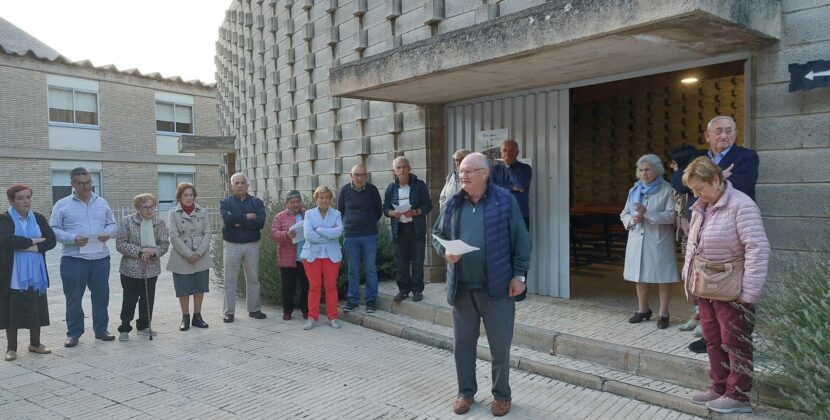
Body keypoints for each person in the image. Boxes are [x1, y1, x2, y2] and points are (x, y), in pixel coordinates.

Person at [432, 152, 531, 417]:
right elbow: (437, 235)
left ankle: (502, 395)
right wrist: (445, 252)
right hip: (462, 289)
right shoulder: (453, 203)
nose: (461, 175)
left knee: (500, 347)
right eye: (460, 171)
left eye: (468, 171)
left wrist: (519, 276)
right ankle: (465, 392)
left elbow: (522, 239)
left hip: (497, 288)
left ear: (484, 173)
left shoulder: (504, 200)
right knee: (463, 346)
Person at [682, 157, 769, 414]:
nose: (696, 194)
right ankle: (718, 386)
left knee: (735, 341)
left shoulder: (741, 205)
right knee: (712, 338)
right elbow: (692, 246)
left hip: (732, 288)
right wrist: (689, 280)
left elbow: (758, 248)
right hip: (707, 284)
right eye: (693, 190)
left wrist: (750, 292)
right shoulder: (702, 206)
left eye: (700, 188)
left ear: (718, 180)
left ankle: (738, 395)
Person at [688, 115, 761, 353]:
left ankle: (742, 340)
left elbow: (742, 182)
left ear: (735, 133)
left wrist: (716, 178)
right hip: (705, 228)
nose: (724, 135)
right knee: (709, 290)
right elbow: (679, 181)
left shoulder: (746, 156)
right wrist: (721, 175)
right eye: (718, 131)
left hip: (732, 229)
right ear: (707, 136)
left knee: (735, 288)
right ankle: (711, 339)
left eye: (729, 130)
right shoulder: (698, 157)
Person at [50, 167, 118, 347]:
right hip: (74, 259)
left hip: (100, 258)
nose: (87, 187)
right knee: (73, 298)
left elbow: (112, 224)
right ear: (72, 183)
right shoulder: (62, 205)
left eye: (89, 182)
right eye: (82, 183)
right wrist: (72, 238)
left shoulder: (102, 202)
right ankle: (74, 333)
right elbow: (54, 230)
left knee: (101, 296)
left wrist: (107, 233)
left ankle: (101, 329)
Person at [620, 154, 679, 329]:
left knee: (663, 277)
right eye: (641, 170)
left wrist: (647, 213)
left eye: (648, 170)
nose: (644, 173)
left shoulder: (667, 189)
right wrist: (631, 220)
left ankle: (664, 313)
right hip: (638, 237)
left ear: (657, 170)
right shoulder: (634, 190)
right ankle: (643, 309)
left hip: (659, 239)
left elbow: (671, 216)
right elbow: (624, 213)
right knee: (639, 275)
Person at [0, 184, 56, 361]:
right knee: (12, 309)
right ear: (11, 201)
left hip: (35, 273)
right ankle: (11, 348)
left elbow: (52, 241)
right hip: (14, 272)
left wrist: (26, 247)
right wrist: (35, 241)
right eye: (20, 198)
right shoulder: (4, 219)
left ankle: (35, 344)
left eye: (28, 197)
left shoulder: (38, 218)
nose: (26, 201)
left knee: (35, 307)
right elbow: (8, 240)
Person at [115, 194, 169, 341]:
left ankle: (144, 326)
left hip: (151, 268)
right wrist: (139, 251)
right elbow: (120, 244)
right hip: (130, 269)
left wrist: (154, 252)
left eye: (152, 206)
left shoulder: (160, 223)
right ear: (138, 207)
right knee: (129, 299)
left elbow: (164, 243)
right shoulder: (127, 222)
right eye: (145, 207)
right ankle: (124, 328)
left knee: (148, 298)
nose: (149, 210)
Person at [383, 157, 432, 302]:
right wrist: (393, 213)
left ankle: (417, 290)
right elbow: (385, 208)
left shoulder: (419, 186)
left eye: (404, 167)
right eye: (398, 167)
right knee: (401, 262)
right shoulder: (391, 188)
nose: (401, 170)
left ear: (409, 169)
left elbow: (428, 205)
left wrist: (415, 212)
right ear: (394, 171)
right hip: (399, 229)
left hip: (416, 228)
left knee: (417, 261)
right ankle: (403, 290)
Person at [220, 173, 267, 323]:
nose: (239, 185)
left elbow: (259, 223)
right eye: (236, 183)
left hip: (251, 245)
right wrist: (248, 217)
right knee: (230, 280)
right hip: (232, 245)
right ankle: (229, 312)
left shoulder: (257, 203)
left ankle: (254, 309)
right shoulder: (225, 203)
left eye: (242, 183)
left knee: (253, 278)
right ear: (231, 186)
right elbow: (228, 220)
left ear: (247, 185)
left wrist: (238, 221)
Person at [669, 145, 705, 333]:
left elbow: (678, 181)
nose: (671, 166)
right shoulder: (681, 183)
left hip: (699, 235)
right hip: (686, 236)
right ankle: (696, 314)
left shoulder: (693, 181)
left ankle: (705, 320)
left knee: (701, 278)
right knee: (689, 278)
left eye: (674, 162)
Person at [167, 182, 212, 331]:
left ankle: (197, 316)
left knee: (200, 287)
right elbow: (173, 236)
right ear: (180, 197)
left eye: (191, 195)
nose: (189, 198)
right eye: (185, 195)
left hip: (201, 254)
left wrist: (199, 252)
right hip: (181, 256)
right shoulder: (173, 213)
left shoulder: (203, 211)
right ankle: (185, 317)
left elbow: (208, 233)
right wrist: (188, 254)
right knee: (184, 288)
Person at [338, 164, 383, 313]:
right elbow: (341, 210)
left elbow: (378, 211)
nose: (360, 177)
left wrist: (367, 223)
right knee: (353, 270)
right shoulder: (344, 191)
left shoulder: (372, 190)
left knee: (371, 269)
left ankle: (371, 301)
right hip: (351, 236)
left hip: (369, 234)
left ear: (366, 176)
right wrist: (350, 224)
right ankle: (353, 301)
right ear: (351, 176)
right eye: (357, 174)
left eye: (363, 174)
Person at [301, 186, 343, 330]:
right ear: (316, 199)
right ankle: (312, 317)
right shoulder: (309, 214)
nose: (323, 200)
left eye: (326, 197)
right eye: (320, 197)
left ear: (330, 199)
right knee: (314, 287)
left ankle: (333, 317)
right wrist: (328, 234)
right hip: (312, 255)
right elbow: (308, 235)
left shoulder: (337, 214)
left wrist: (318, 230)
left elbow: (338, 232)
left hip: (331, 255)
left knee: (331, 286)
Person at [270, 190, 309, 321]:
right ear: (286, 203)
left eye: (297, 201)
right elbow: (274, 235)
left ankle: (306, 310)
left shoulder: (307, 214)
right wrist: (286, 235)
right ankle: (287, 311)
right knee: (288, 287)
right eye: (292, 202)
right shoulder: (279, 217)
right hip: (287, 258)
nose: (295, 204)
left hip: (305, 256)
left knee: (306, 285)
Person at [489, 139, 532, 228]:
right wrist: (512, 187)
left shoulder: (525, 168)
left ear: (517, 153)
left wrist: (508, 166)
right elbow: (490, 187)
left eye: (511, 150)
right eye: (504, 150)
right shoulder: (494, 169)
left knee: (520, 242)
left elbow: (520, 185)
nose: (507, 153)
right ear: (501, 152)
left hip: (519, 215)